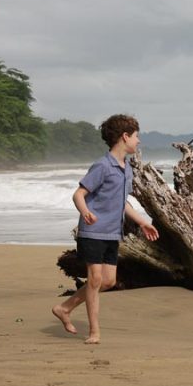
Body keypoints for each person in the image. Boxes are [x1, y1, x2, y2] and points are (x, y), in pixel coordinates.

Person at [52, 114, 159, 344]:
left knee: (108, 282)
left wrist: (142, 222)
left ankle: (65, 308)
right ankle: (94, 332)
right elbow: (78, 194)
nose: (138, 141)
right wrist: (85, 212)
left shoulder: (126, 168)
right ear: (125, 136)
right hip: (92, 232)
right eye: (136, 136)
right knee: (95, 279)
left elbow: (123, 203)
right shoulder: (102, 166)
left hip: (112, 233)